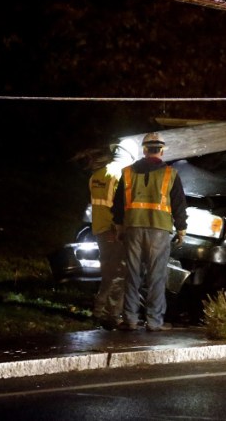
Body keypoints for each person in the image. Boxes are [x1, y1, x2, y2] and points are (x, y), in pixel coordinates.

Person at [111, 132, 188, 332]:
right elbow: (179, 203)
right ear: (161, 150)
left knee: (133, 274)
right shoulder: (170, 174)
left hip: (133, 228)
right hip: (159, 230)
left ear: (144, 150)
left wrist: (119, 227)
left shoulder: (127, 173)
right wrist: (181, 229)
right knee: (156, 276)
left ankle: (130, 319)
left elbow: (118, 204)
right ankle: (154, 322)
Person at [88, 141, 136, 330]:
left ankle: (98, 310)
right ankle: (111, 315)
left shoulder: (96, 175)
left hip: (99, 228)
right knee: (118, 274)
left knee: (107, 271)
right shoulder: (122, 175)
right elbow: (119, 207)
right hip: (114, 231)